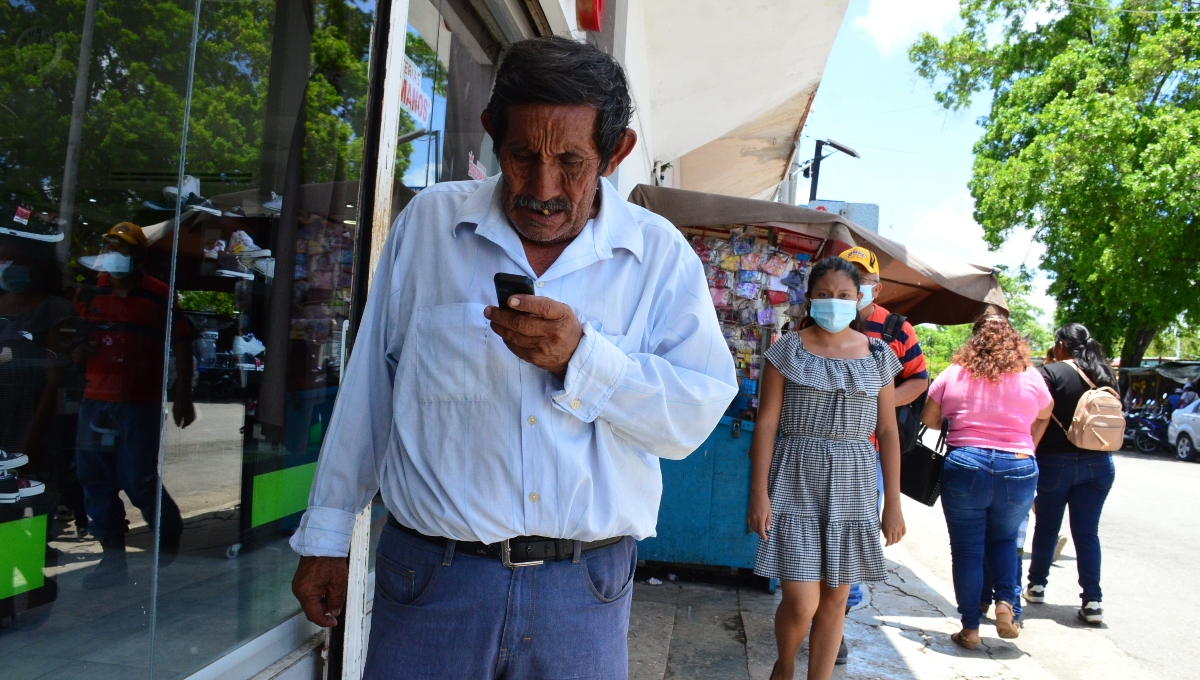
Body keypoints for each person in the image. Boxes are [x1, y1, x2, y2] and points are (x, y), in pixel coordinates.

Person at [288, 37, 737, 679]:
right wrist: (328, 539)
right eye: (523, 155)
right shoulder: (428, 228)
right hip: (430, 584)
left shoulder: (658, 257)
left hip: (582, 591)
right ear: (492, 133)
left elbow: (692, 416)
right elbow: (370, 390)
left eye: (572, 162)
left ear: (617, 153)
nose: (542, 186)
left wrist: (582, 360)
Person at [747, 256, 906, 680]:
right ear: (809, 298)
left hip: (854, 482)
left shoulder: (878, 355)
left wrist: (893, 503)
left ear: (859, 299)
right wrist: (758, 493)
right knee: (801, 601)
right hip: (794, 478)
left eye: (843, 296)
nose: (833, 302)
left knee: (836, 598)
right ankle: (784, 668)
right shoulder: (786, 351)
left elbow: (888, 434)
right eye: (824, 295)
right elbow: (765, 424)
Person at [73, 222, 194, 588]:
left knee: (136, 478)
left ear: (139, 256)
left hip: (139, 403)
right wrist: (79, 352)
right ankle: (112, 563)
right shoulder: (88, 294)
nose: (114, 257)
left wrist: (183, 394)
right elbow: (72, 343)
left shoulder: (159, 295)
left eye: (122, 250)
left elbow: (183, 342)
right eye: (110, 248)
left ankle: (168, 528)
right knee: (95, 480)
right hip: (96, 401)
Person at [921, 314, 1052, 648]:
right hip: (1019, 467)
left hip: (966, 464)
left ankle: (970, 629)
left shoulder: (953, 374)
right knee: (1005, 540)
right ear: (1013, 341)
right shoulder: (1031, 376)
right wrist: (1026, 445)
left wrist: (963, 423)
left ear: (973, 340)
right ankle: (1006, 605)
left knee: (967, 550)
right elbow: (1045, 413)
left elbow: (929, 418)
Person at [836, 246, 929, 664]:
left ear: (876, 286)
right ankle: (826, 614)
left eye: (862, 280)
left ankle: (838, 616)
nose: (854, 289)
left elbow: (920, 380)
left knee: (854, 539)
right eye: (848, 278)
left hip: (869, 451)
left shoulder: (894, 328)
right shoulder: (817, 322)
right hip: (818, 451)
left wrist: (880, 405)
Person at [1024, 323, 1119, 625]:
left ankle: (1037, 586)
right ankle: (1093, 600)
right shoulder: (1107, 374)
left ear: (1061, 346)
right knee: (1087, 533)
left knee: (1048, 527)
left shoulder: (1051, 374)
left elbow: (1032, 411)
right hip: (1100, 462)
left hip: (1056, 461)